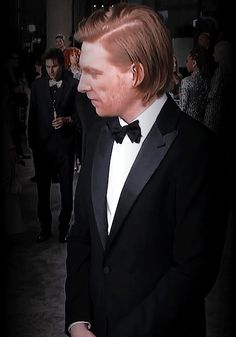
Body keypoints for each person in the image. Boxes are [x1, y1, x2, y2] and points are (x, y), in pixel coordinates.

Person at [65, 3, 229, 337]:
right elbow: (81, 234)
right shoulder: (97, 134)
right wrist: (77, 318)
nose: (82, 87)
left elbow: (192, 271)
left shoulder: (199, 150)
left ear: (134, 74)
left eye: (93, 73)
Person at [28, 48, 78, 243]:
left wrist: (67, 120)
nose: (51, 71)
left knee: (66, 192)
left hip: (65, 147)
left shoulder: (73, 84)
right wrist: (33, 144)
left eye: (54, 66)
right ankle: (45, 228)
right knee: (42, 192)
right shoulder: (37, 86)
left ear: (62, 65)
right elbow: (33, 117)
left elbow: (78, 115)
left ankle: (64, 228)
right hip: (42, 147)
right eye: (47, 67)